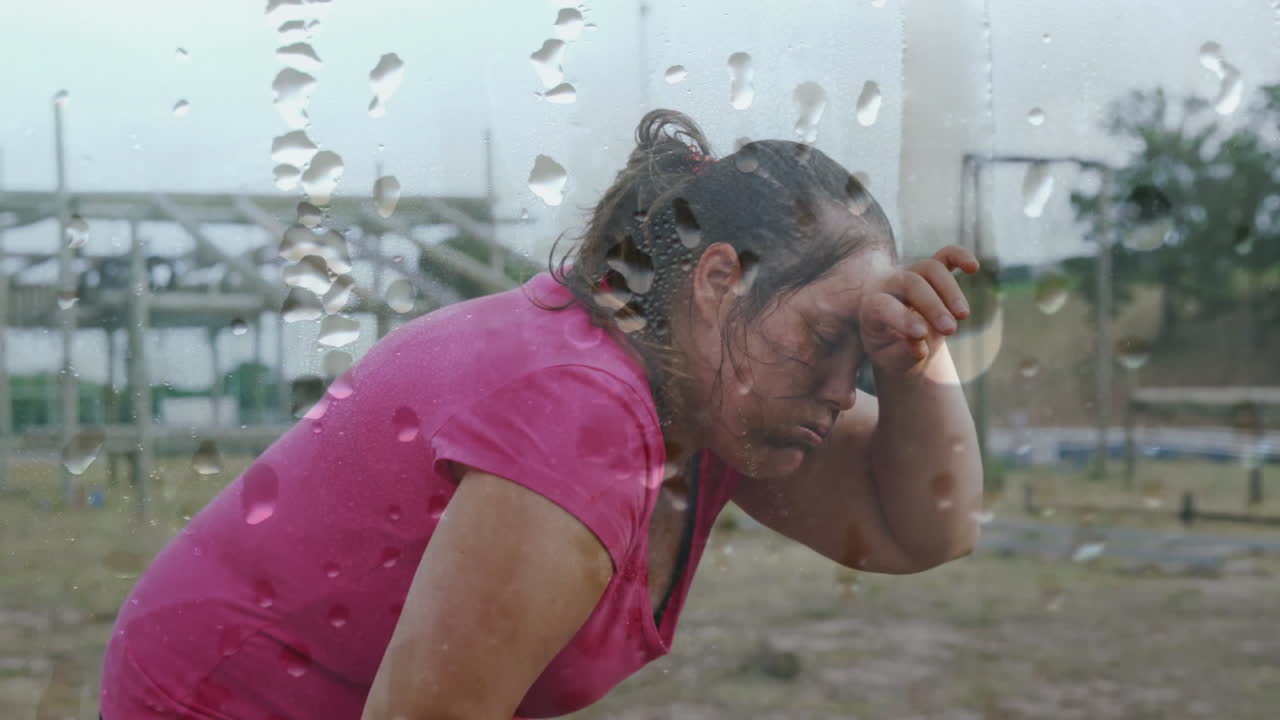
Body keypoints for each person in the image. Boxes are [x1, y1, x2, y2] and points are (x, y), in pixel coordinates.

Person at [99, 109, 984, 719]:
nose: (842, 387)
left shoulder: (704, 395)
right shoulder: (580, 410)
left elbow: (924, 531)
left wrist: (914, 355)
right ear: (718, 283)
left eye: (859, 355)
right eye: (828, 337)